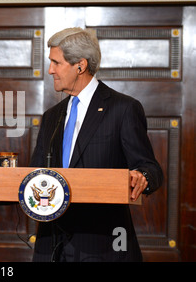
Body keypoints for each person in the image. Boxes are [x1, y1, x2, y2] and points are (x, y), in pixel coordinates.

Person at [29, 28, 163, 262]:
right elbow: (35, 173)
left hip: (103, 244)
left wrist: (142, 176)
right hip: (51, 246)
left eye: (56, 63)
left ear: (80, 66)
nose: (50, 70)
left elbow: (150, 168)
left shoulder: (123, 109)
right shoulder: (52, 115)